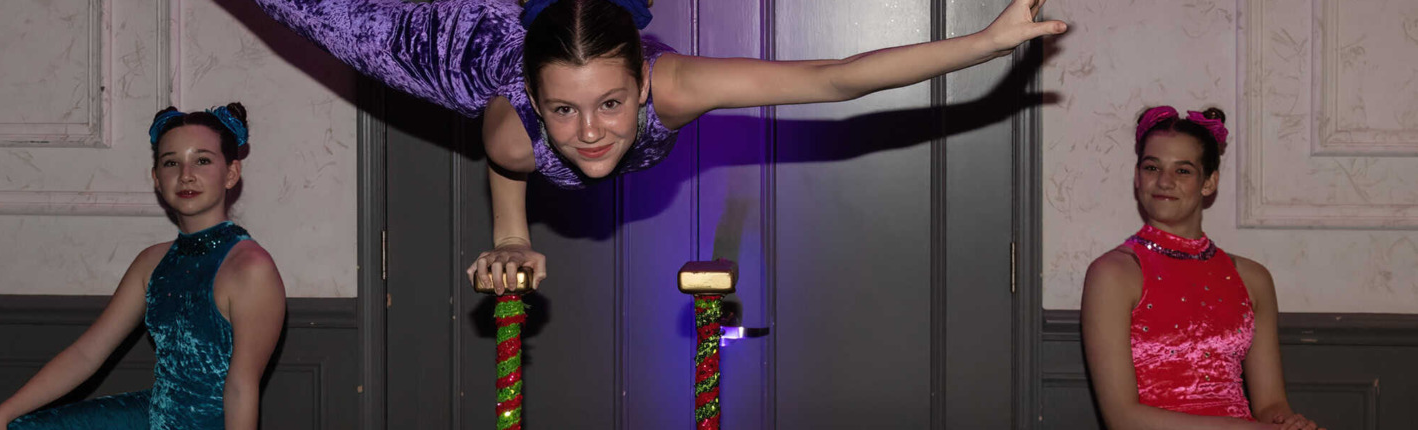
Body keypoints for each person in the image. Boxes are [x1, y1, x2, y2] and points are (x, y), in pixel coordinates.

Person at [248, 0, 1066, 293]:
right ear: (536, 102)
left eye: (609, 103)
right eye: (563, 113)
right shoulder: (517, 130)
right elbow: (505, 157)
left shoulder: (675, 81)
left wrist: (983, 45)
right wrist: (511, 235)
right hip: (422, 35)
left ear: (644, 83)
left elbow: (832, 79)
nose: (592, 132)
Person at [0, 104, 288, 430]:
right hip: (155, 416)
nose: (186, 174)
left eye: (202, 160)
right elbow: (87, 354)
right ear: (157, 178)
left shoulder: (251, 269)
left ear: (230, 173)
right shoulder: (152, 262)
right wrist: (3, 414)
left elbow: (241, 389)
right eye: (172, 162)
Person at [1080, 106, 1323, 430]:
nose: (1164, 181)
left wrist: (1289, 425)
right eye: (1152, 167)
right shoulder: (1113, 274)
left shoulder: (1252, 278)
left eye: (1182, 171)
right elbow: (1123, 418)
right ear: (1137, 177)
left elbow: (1271, 403)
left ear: (1209, 182)